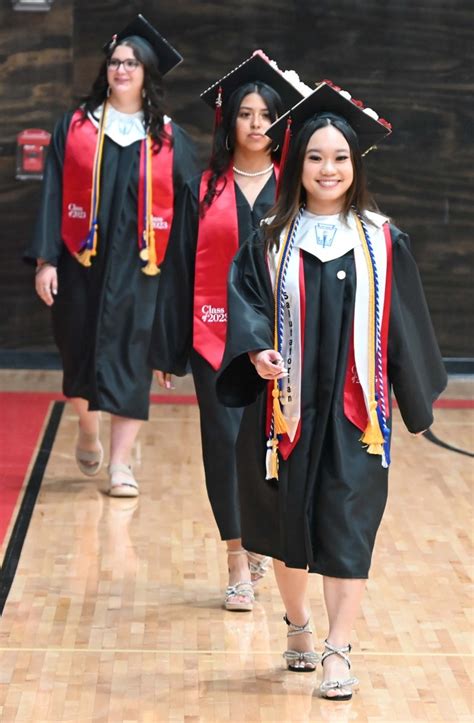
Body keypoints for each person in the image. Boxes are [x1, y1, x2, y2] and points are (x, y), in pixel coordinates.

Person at [216, 81, 447, 697]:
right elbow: (245, 308)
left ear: (355, 165)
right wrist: (256, 350)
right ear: (297, 164)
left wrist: (416, 401)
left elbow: (403, 324)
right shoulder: (268, 239)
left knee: (346, 524)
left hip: (355, 417)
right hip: (284, 415)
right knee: (291, 528)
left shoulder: (380, 240)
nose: (328, 168)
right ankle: (298, 625)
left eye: (340, 157)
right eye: (315, 157)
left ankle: (338, 650)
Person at [149, 51, 310, 611]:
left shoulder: (298, 190)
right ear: (229, 122)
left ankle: (266, 539)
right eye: (246, 113)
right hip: (213, 340)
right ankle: (237, 560)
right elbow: (177, 273)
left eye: (267, 114)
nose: (257, 123)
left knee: (276, 445)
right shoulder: (203, 189)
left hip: (284, 344)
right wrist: (168, 349)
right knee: (222, 445)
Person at [24, 15, 199, 497]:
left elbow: (189, 210)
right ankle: (86, 426)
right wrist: (46, 260)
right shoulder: (78, 127)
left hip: (143, 272)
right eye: (116, 61)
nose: (122, 69)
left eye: (132, 63)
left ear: (146, 73)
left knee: (131, 360)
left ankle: (120, 465)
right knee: (79, 355)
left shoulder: (167, 138)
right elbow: (53, 194)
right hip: (83, 266)